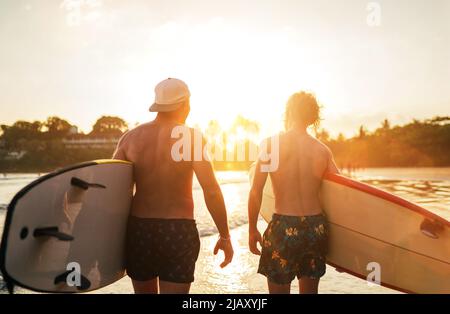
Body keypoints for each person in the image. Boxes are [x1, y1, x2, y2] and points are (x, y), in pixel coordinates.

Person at [113, 78, 233, 294]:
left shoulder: (129, 139)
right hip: (178, 230)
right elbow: (211, 190)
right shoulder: (191, 138)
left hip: (139, 231)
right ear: (185, 104)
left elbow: (114, 193)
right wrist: (225, 236)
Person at [248, 91, 339, 294]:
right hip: (315, 228)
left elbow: (256, 191)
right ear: (313, 118)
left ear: (288, 112)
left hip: (283, 227)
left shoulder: (270, 145)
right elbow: (341, 195)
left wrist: (252, 228)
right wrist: (346, 253)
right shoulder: (323, 151)